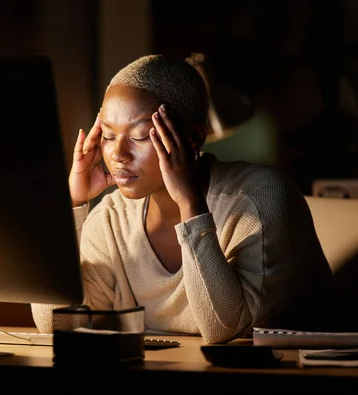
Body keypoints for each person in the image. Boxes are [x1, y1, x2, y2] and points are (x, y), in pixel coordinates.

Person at [31, 54, 339, 344]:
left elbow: (224, 329)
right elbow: (56, 323)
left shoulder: (261, 199)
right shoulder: (113, 218)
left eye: (139, 137)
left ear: (192, 138)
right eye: (109, 136)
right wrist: (71, 206)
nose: (118, 155)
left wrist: (190, 204)